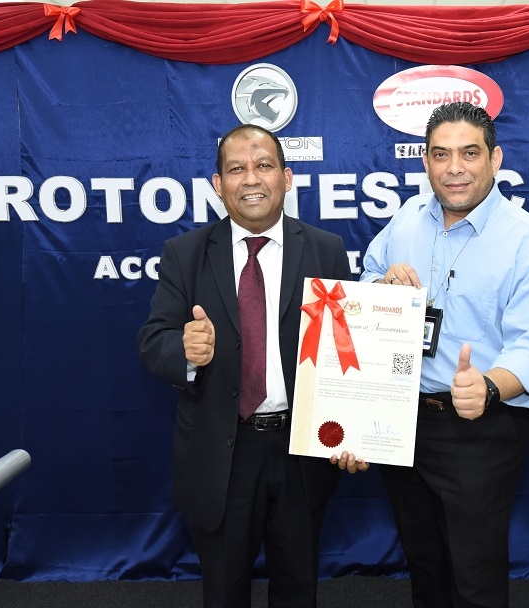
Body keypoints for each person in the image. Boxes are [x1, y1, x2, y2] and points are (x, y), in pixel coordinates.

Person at [137, 124, 366, 608]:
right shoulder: (185, 254)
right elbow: (153, 342)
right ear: (218, 185)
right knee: (223, 592)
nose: (251, 179)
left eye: (263, 166)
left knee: (298, 589)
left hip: (301, 451)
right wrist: (186, 352)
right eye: (236, 169)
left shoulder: (325, 249)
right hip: (223, 453)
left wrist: (354, 432)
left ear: (286, 177)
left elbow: (344, 354)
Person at [358, 101, 529, 607]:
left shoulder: (527, 240)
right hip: (405, 419)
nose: (455, 168)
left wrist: (491, 386)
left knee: (474, 571)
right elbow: (365, 282)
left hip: (481, 425)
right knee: (424, 560)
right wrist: (383, 284)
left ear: (495, 159)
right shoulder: (407, 218)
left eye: (470, 153)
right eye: (441, 154)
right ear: (425, 162)